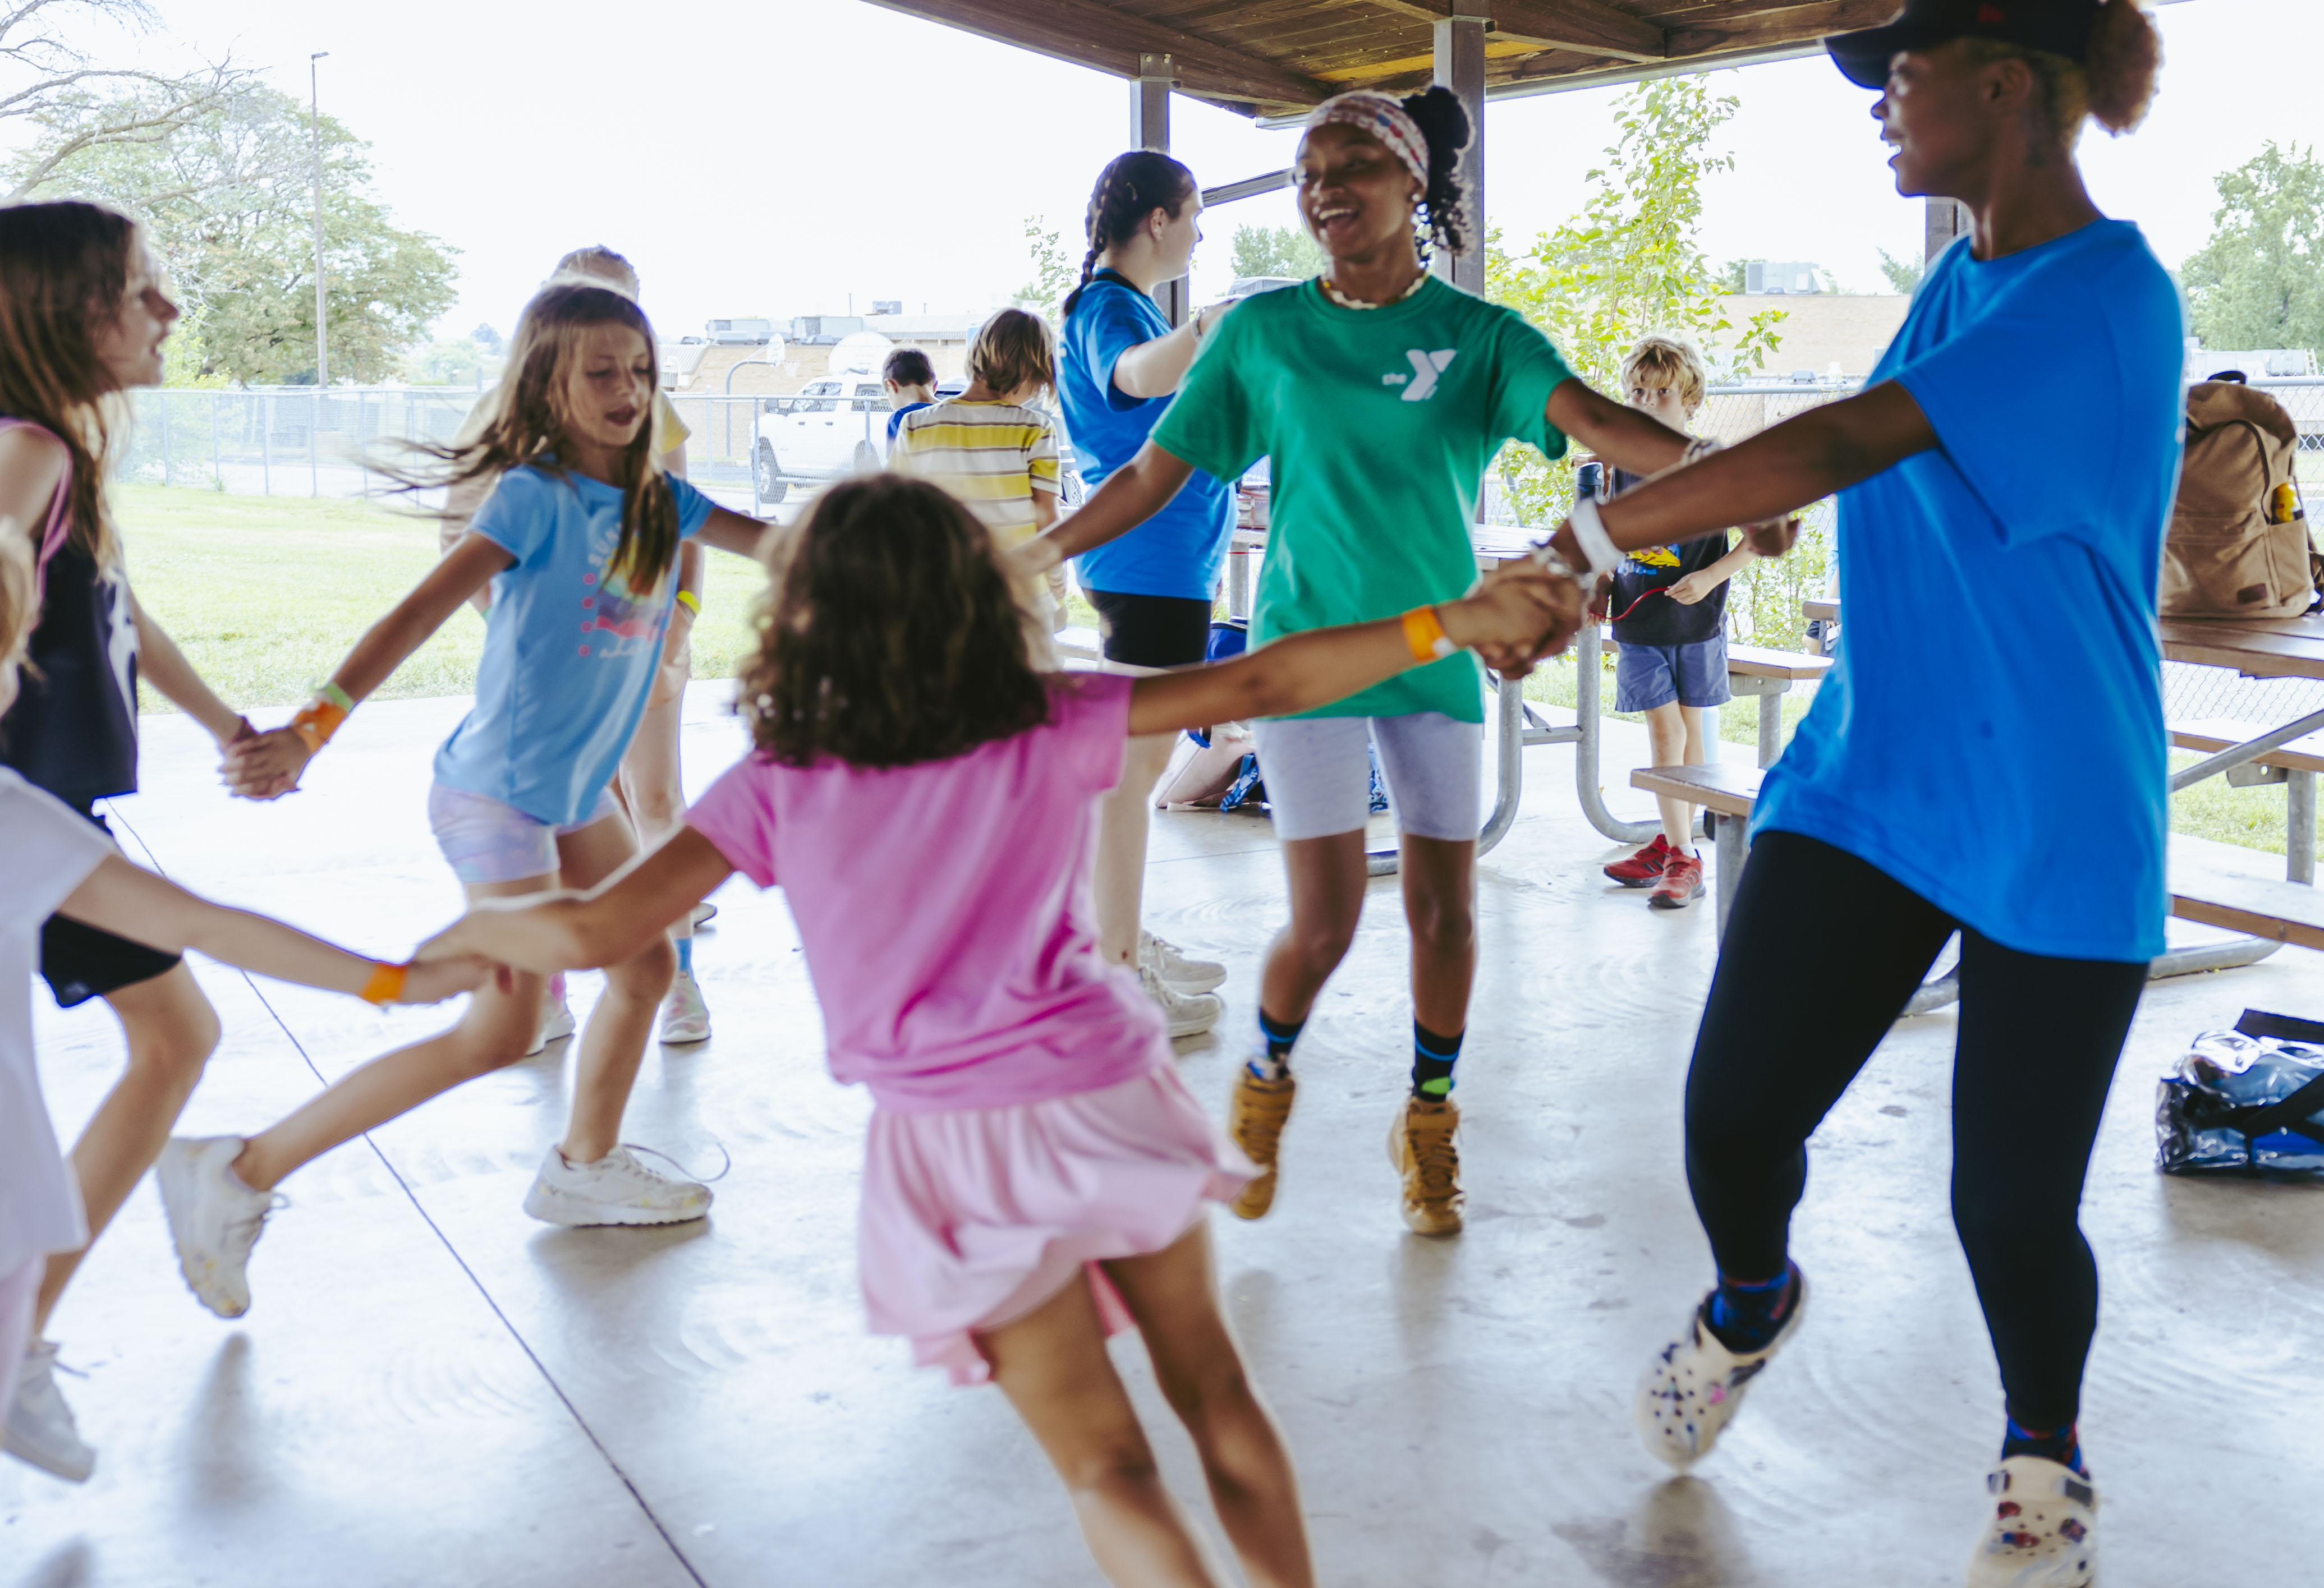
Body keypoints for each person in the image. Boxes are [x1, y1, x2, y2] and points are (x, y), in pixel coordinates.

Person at [414, 472, 1576, 1588]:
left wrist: (450, 949)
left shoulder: (777, 780)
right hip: (1105, 1095)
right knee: (1217, 1395)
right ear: (972, 598)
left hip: (950, 1143)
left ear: (805, 619)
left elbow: (593, 929)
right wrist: (1451, 621)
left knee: (1106, 1467)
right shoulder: (1039, 718)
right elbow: (1264, 681)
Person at [1493, 0, 2174, 1586]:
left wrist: (1585, 537)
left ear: (2002, 84)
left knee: (2006, 1204)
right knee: (1730, 1117)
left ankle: (2042, 1463)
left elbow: (1845, 441)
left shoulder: (2105, 295)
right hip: (1877, 774)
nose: (1882, 106)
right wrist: (1677, 522)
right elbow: (1840, 451)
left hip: (2057, 804)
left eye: (1903, 73)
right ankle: (1752, 1303)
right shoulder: (1960, 282)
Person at [1011, 88, 1696, 1237]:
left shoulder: (1482, 338)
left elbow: (1600, 425)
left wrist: (1724, 466)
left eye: (1350, 168)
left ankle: (1428, 1118)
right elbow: (1148, 474)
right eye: (1306, 175)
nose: (1322, 191)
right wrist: (1032, 550)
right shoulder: (1263, 332)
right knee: (1322, 921)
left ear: (1412, 183)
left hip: (1436, 653)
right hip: (1303, 656)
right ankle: (1265, 1074)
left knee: (1447, 916)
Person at [169, 280, 774, 1323]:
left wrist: (916, 542)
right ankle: (237, 1170)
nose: (628, 389)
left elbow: (784, 544)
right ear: (546, 384)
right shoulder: (532, 497)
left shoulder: (662, 503)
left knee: (644, 967)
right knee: (500, 1031)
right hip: (496, 799)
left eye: (640, 370)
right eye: (601, 371)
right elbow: (413, 616)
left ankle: (583, 1165)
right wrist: (310, 730)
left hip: (576, 798)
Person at [0, 518, 488, 1482]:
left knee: (180, 1036)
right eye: (13, 649)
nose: (26, 672)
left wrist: (397, 980)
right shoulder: (18, 820)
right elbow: (207, 925)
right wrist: (399, 981)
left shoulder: (20, 822)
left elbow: (201, 923)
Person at [0, 201, 266, 1477]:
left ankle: (19, 1335)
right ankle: (15, 1343)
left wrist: (227, 726)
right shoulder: (30, 449)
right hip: (29, 832)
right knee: (178, 1037)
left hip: (57, 825)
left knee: (176, 1036)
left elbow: (116, 607)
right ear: (68, 309)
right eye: (141, 287)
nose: (168, 309)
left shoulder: (63, 457)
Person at [440, 246, 715, 1046]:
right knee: (562, 816)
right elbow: (455, 543)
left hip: (644, 645)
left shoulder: (648, 406)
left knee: (654, 799)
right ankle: (549, 991)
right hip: (553, 682)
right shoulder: (511, 428)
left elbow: (692, 521)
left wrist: (677, 624)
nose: (623, 374)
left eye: (632, 338)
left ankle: (678, 981)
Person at [1055, 151, 1238, 1039]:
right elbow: (1135, 375)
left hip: (1161, 566)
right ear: (1158, 220)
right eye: (1193, 215)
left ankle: (1116, 937)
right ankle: (1115, 968)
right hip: (1148, 567)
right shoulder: (1108, 309)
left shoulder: (1123, 305)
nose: (1198, 234)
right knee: (1127, 778)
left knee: (1128, 773)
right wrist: (1209, 328)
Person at [1586, 334, 1755, 911]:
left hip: (1696, 624)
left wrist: (1709, 578)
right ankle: (1682, 853)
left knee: (1686, 732)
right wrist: (1601, 582)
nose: (1646, 402)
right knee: (1665, 732)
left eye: (1661, 393)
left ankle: (1673, 841)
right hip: (1638, 623)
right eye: (1637, 392)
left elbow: (1758, 538)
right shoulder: (1621, 465)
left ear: (1690, 400)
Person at [893, 306, 1067, 657]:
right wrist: (1057, 587)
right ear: (1030, 370)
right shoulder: (1035, 428)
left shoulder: (914, 426)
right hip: (1021, 596)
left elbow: (899, 518)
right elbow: (1046, 517)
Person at [881, 347, 938, 444]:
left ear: (891, 385)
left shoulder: (899, 419)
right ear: (935, 386)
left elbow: (896, 454)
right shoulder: (955, 411)